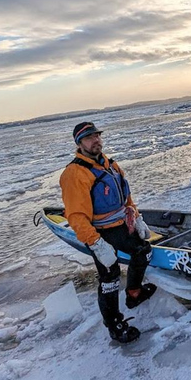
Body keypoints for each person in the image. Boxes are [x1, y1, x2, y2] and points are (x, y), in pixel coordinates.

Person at [59, 122, 157, 344]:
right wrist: (96, 244)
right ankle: (114, 324)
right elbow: (76, 216)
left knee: (143, 251)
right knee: (110, 277)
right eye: (89, 138)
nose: (96, 141)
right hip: (99, 233)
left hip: (120, 226)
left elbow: (126, 196)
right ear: (79, 143)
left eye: (97, 136)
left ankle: (134, 293)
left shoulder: (110, 165)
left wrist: (137, 217)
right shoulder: (75, 174)